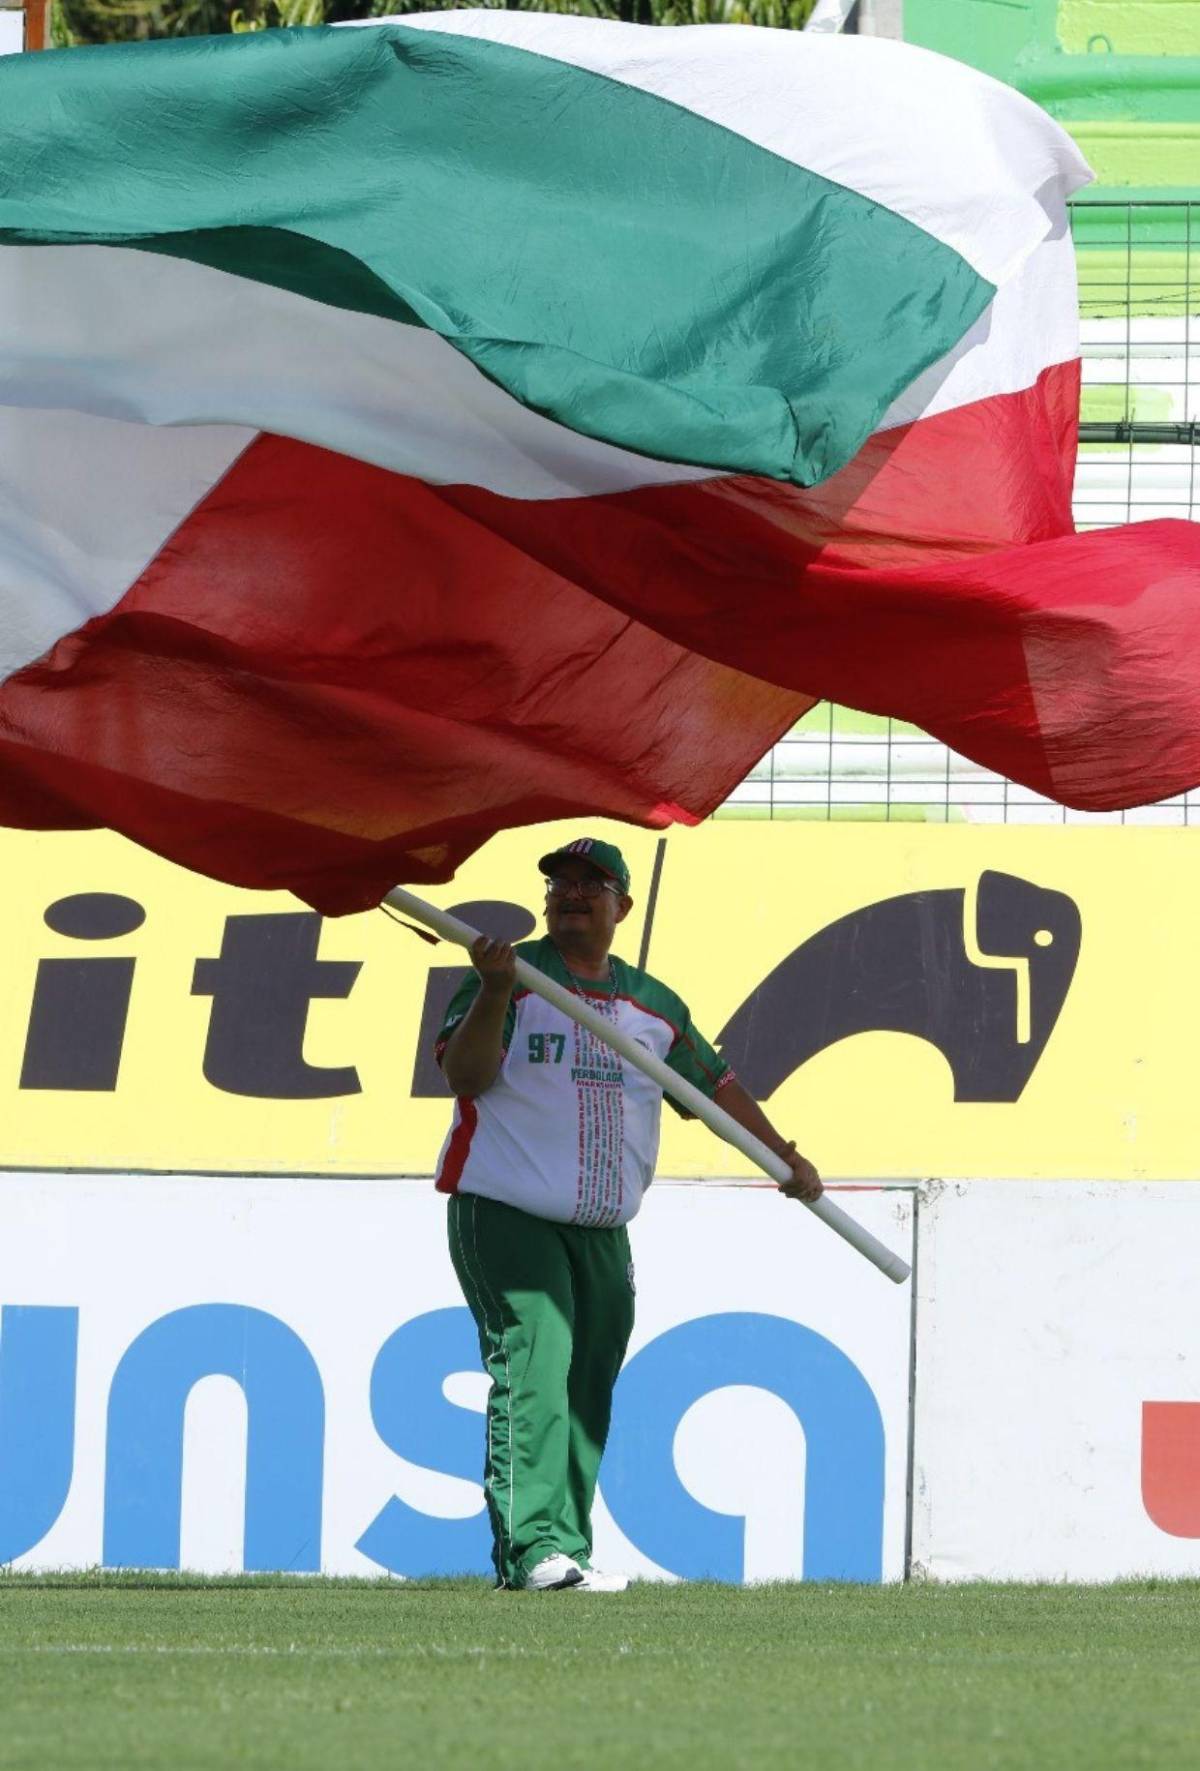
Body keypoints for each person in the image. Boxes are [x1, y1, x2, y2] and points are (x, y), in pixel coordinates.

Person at [434, 836, 822, 1592]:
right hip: (507, 1211)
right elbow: (465, 1075)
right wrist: (492, 990)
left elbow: (715, 1088)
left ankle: (566, 1551)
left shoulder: (654, 1005)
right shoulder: (512, 975)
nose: (572, 895)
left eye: (592, 885)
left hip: (604, 1227)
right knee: (535, 1365)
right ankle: (530, 1548)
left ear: (624, 906)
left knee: (587, 1383)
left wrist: (782, 1155)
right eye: (560, 884)